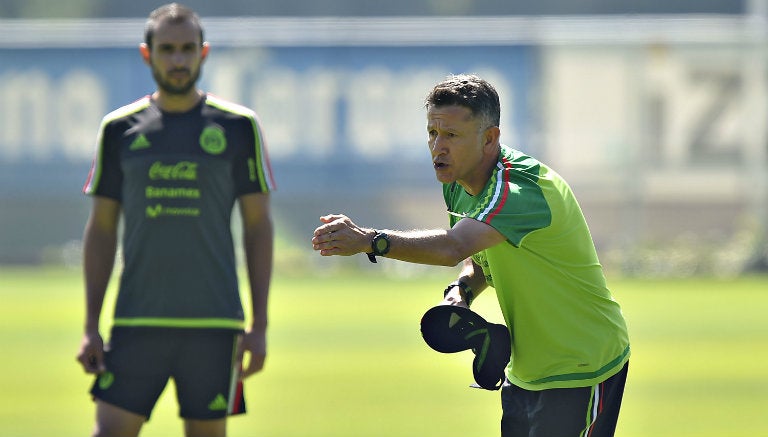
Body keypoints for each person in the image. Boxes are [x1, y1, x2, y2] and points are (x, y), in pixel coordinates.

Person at [311, 74, 630, 437]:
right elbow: (476, 255)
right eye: (432, 133)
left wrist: (371, 240)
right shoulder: (460, 185)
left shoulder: (522, 190)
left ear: (490, 138)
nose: (437, 147)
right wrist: (461, 292)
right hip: (526, 372)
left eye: (451, 136)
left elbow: (454, 246)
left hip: (583, 367)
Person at [75, 4, 276, 437]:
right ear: (147, 54)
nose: (179, 60)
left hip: (215, 323)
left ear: (203, 53)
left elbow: (258, 226)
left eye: (187, 49)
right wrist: (91, 326)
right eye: (167, 50)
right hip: (136, 320)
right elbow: (102, 229)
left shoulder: (239, 127)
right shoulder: (118, 129)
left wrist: (259, 326)